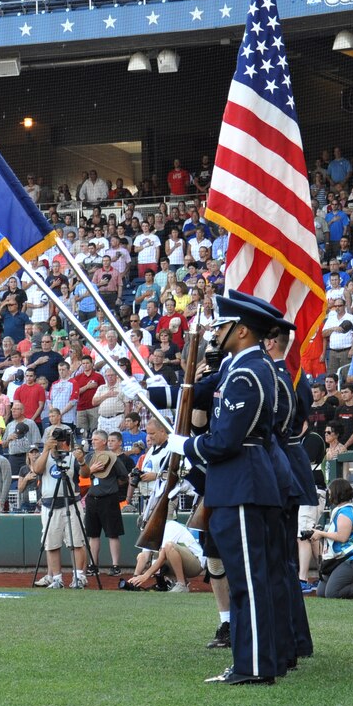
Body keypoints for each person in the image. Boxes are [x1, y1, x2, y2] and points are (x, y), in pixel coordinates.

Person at [170, 292, 283, 684]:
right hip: (239, 484)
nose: (217, 332)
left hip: (241, 485)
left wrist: (184, 445)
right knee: (248, 582)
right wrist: (151, 391)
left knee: (248, 583)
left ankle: (253, 667)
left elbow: (224, 442)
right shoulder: (242, 367)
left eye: (223, 326)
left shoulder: (248, 373)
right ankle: (257, 662)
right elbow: (194, 392)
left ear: (242, 331)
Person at [31, 426, 88, 588]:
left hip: (71, 503)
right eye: (51, 436)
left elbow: (85, 474)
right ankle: (56, 578)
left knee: (76, 541)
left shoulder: (71, 456)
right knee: (51, 543)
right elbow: (37, 469)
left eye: (57, 437)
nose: (55, 439)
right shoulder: (45, 456)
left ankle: (79, 577)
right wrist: (46, 450)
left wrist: (82, 460)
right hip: (49, 505)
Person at [312, 478, 353, 599]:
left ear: (337, 493)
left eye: (330, 493)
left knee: (332, 593)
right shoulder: (340, 510)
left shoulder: (345, 512)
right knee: (321, 592)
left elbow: (342, 537)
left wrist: (321, 534)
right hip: (339, 560)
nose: (329, 495)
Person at [81, 431, 128, 575]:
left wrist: (110, 486)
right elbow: (82, 476)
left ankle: (115, 566)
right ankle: (93, 565)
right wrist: (91, 470)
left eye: (96, 439)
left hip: (109, 498)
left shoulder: (113, 457)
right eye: (92, 439)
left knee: (113, 533)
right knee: (93, 534)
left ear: (104, 441)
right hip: (92, 498)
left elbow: (123, 477)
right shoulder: (89, 457)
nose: (93, 442)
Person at [129, 519, 206, 592]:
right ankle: (172, 582)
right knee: (141, 556)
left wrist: (145, 576)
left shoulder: (170, 526)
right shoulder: (151, 533)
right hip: (184, 562)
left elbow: (162, 557)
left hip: (196, 563)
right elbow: (144, 557)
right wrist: (134, 579)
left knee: (169, 546)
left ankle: (182, 585)